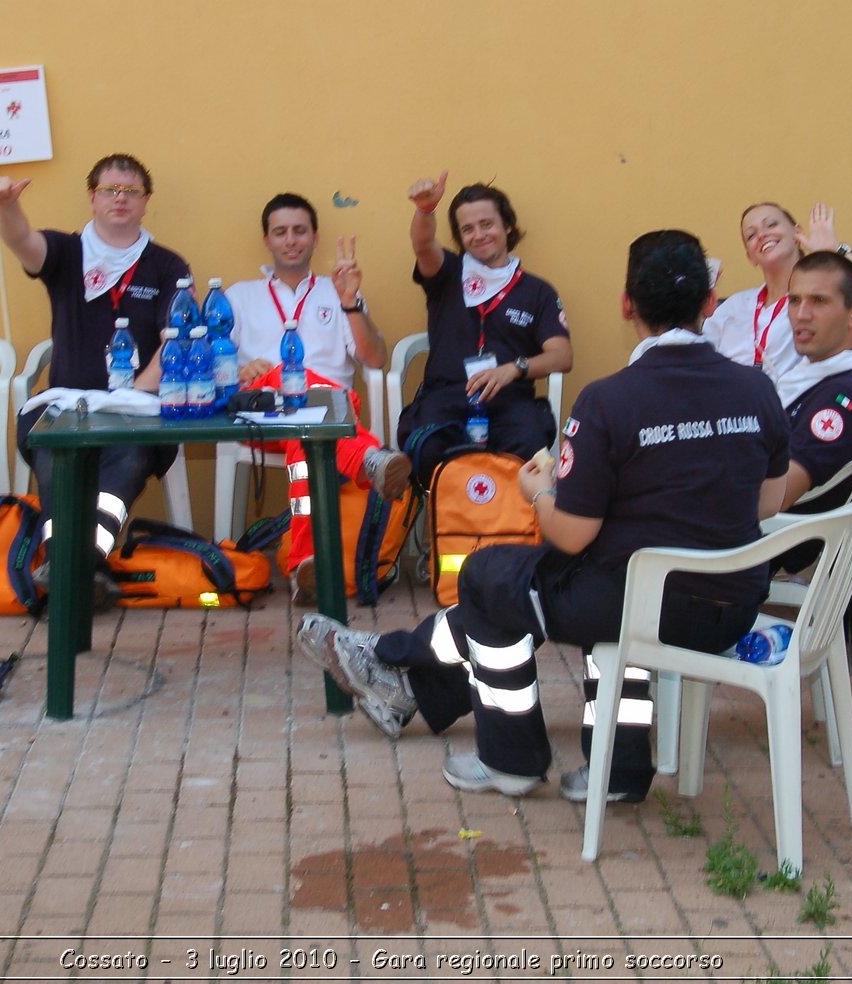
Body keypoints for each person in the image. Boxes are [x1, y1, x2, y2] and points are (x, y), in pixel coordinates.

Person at [297, 230, 789, 802]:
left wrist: (538, 490)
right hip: (729, 603)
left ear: (627, 303)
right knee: (554, 581)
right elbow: (767, 502)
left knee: (487, 577)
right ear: (710, 303)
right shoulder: (756, 389)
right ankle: (611, 771)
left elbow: (572, 533)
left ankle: (511, 758)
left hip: (634, 603)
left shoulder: (610, 401)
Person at [0, 152, 187, 604]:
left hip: (137, 411)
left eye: (131, 191)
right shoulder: (65, 252)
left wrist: (137, 391)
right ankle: (76, 568)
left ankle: (73, 568)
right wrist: (5, 205)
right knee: (58, 458)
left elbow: (175, 338)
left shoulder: (167, 266)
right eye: (110, 190)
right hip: (65, 407)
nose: (120, 199)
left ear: (146, 201)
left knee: (131, 457)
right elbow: (22, 242)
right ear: (93, 198)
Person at [226, 193, 412, 601]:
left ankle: (304, 565)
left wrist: (350, 303)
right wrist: (239, 371)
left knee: (305, 448)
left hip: (326, 421)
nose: (291, 240)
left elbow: (375, 359)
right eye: (281, 232)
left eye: (299, 231)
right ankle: (366, 457)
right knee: (284, 373)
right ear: (267, 239)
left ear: (314, 237)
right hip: (262, 416)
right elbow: (212, 367)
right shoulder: (239, 296)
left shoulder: (337, 290)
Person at [399, 171, 572, 482]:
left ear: (507, 226)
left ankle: (515, 528)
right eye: (467, 229)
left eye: (487, 224)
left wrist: (514, 369)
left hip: (510, 401)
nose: (478, 234)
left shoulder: (537, 291)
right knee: (424, 449)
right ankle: (449, 526)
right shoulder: (448, 272)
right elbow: (423, 245)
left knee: (531, 455)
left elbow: (562, 356)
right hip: (446, 399)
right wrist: (425, 210)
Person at [770, 250, 852, 573]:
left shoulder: (842, 401)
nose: (801, 314)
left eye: (819, 301)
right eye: (794, 301)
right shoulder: (819, 377)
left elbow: (776, 496)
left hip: (747, 556)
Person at [704, 202, 852, 383]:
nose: (762, 235)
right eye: (751, 235)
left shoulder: (824, 301)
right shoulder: (734, 306)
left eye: (772, 224)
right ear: (750, 257)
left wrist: (835, 250)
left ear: (797, 234)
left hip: (794, 416)